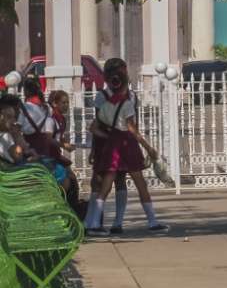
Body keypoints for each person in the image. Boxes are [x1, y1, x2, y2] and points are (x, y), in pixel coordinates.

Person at [85, 58, 166, 238]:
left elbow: (96, 124)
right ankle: (93, 222)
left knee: (114, 181)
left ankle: (114, 222)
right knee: (105, 182)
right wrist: (147, 147)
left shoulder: (128, 97)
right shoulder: (106, 97)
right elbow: (128, 126)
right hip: (117, 143)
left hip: (111, 142)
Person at [17, 79, 82, 213]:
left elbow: (17, 132)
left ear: (25, 92)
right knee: (61, 182)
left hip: (29, 155)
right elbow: (50, 134)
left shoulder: (22, 109)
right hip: (46, 155)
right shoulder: (46, 109)